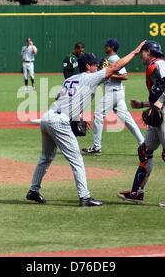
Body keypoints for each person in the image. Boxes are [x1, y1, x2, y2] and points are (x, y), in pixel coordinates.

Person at [25, 40, 147, 207]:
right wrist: (135, 51)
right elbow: (115, 67)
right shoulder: (90, 77)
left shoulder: (70, 79)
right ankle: (85, 197)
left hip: (47, 118)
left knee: (45, 157)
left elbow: (61, 99)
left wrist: (77, 116)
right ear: (88, 66)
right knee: (76, 159)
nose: (97, 67)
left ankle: (33, 190)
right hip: (60, 122)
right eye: (95, 65)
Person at [117, 40, 165, 208]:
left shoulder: (160, 64)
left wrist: (158, 104)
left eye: (143, 52)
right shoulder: (155, 67)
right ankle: (136, 193)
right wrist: (143, 104)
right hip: (161, 111)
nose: (141, 55)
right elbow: (162, 93)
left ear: (149, 52)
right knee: (145, 150)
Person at [82, 38, 144, 155]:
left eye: (107, 46)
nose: (105, 47)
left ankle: (96, 147)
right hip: (115, 92)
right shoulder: (107, 59)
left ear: (112, 48)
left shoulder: (115, 59)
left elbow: (125, 76)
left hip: (113, 92)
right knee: (127, 119)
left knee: (98, 115)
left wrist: (110, 74)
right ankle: (143, 143)